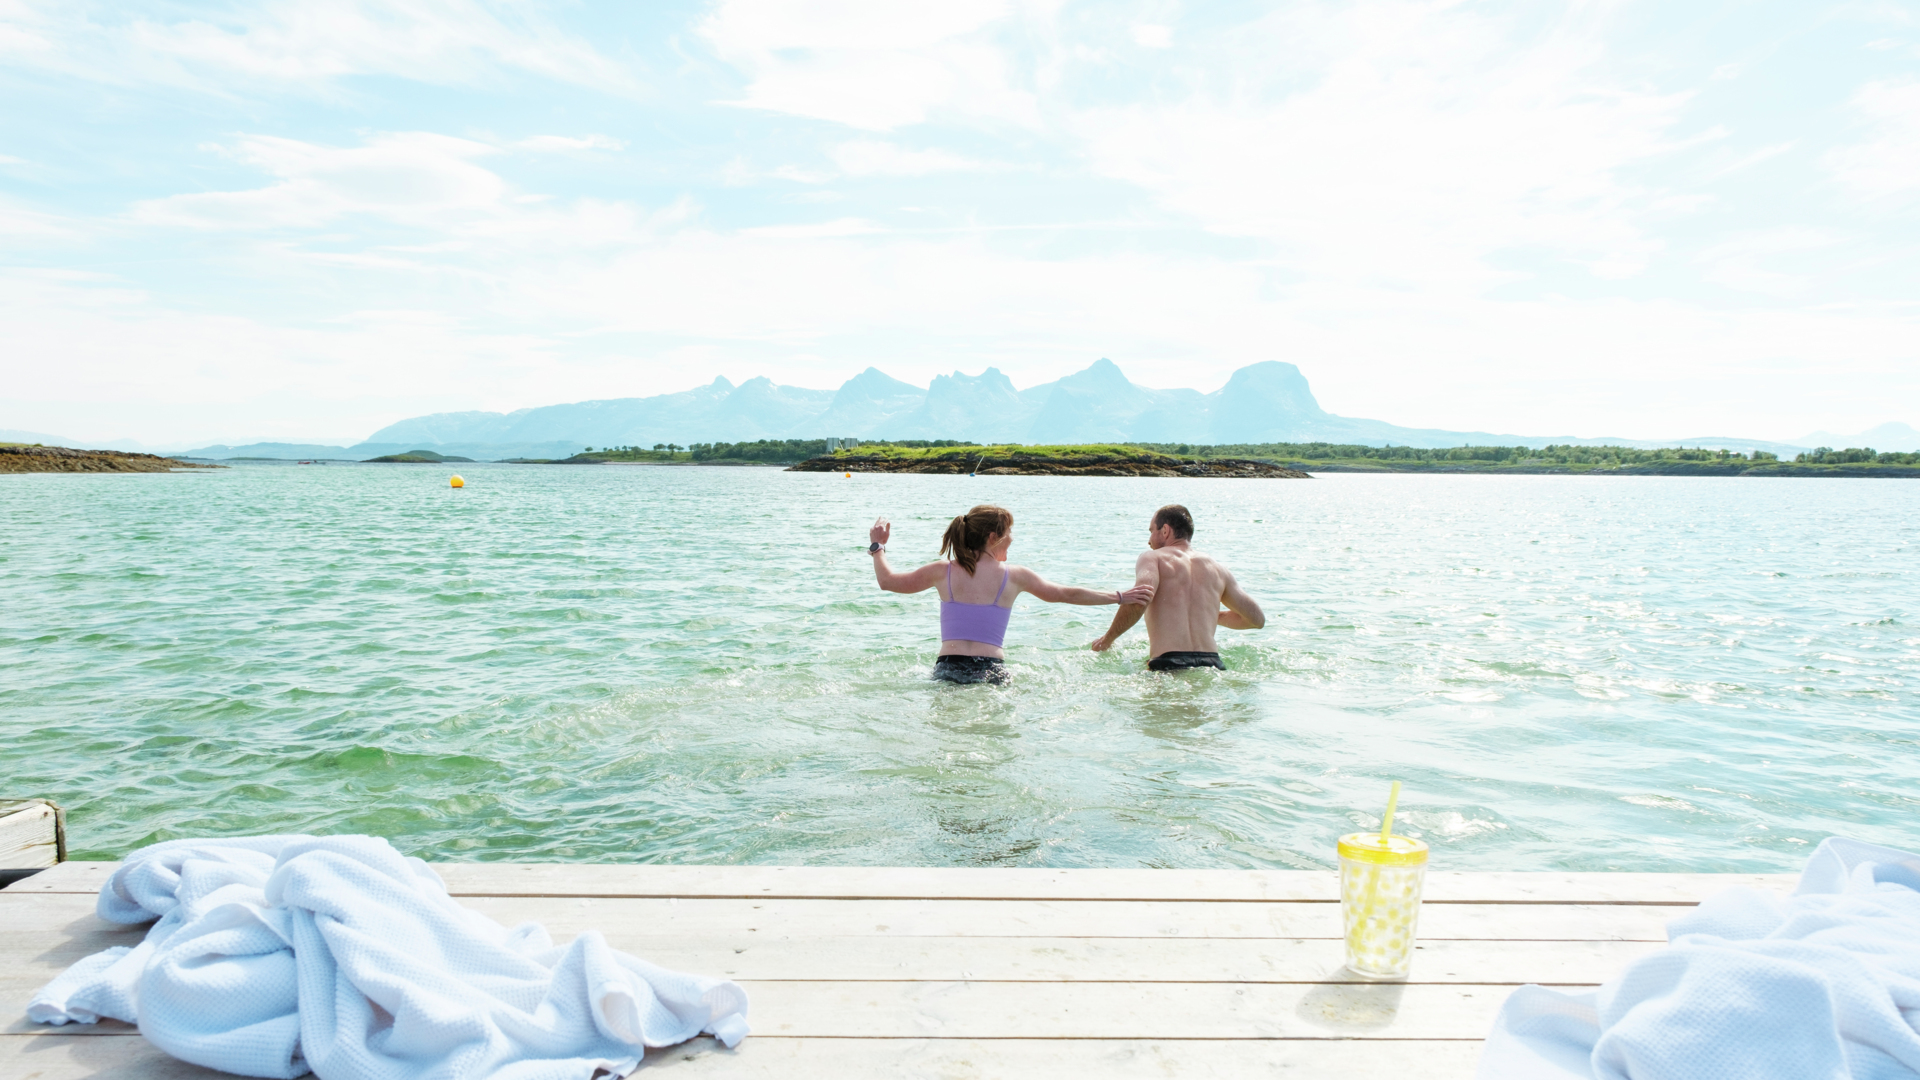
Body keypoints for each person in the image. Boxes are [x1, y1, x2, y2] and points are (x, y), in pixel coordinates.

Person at [869, 505, 1155, 684]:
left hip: (948, 669)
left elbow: (888, 581)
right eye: (1009, 532)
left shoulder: (942, 571)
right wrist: (1118, 596)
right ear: (992, 538)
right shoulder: (1014, 575)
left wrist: (877, 546)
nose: (1013, 537)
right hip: (993, 670)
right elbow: (1065, 594)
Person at [1089, 504, 1264, 671]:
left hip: (1168, 663)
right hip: (1212, 664)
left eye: (1151, 531)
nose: (1149, 540)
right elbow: (1256, 619)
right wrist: (1210, 615)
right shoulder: (1218, 568)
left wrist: (1107, 639)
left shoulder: (1153, 558)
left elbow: (1140, 598)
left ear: (1165, 530)